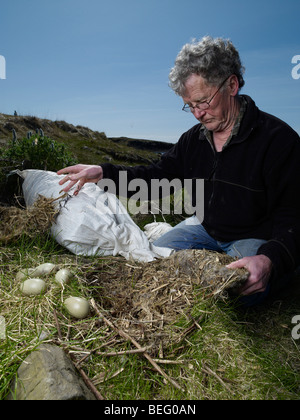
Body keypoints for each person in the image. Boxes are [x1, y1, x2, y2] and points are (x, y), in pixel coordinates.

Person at [57, 36, 300, 306]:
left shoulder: (279, 140)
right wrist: (104, 173)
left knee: (233, 293)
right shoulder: (192, 140)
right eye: (190, 106)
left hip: (255, 238)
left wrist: (270, 258)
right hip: (204, 230)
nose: (198, 114)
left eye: (203, 102)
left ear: (231, 85)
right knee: (150, 260)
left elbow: (294, 217)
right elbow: (154, 177)